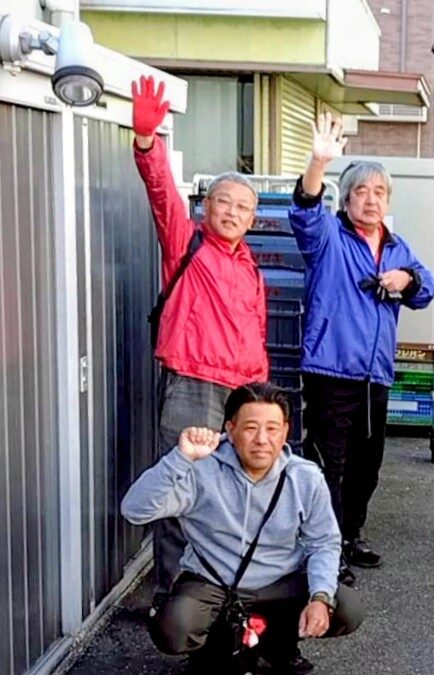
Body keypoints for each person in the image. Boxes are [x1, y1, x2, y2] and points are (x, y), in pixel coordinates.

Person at [131, 76, 269, 609]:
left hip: (243, 393)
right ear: (206, 205)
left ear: (252, 219)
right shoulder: (185, 241)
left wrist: (260, 394)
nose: (232, 212)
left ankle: (223, 597)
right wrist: (148, 143)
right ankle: (173, 598)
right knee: (180, 489)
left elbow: (252, 332)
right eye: (223, 202)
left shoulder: (250, 265)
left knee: (235, 494)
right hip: (192, 386)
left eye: (243, 207)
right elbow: (162, 191)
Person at [121, 383, 362, 674]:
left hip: (281, 580)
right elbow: (134, 510)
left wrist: (320, 598)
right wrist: (179, 458)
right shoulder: (200, 470)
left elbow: (324, 542)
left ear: (285, 431)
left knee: (346, 606)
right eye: (250, 428)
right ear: (230, 429)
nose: (262, 439)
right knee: (175, 627)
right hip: (214, 582)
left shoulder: (305, 477)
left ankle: (278, 642)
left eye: (272, 428)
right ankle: (214, 646)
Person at [289, 113, 434, 585]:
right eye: (361, 192)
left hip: (376, 375)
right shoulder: (329, 236)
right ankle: (325, 552)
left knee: (366, 467)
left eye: (379, 193)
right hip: (332, 371)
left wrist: (407, 278)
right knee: (326, 466)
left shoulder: (396, 247)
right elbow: (305, 209)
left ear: (387, 201)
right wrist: (319, 162)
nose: (370, 200)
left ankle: (350, 535)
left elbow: (426, 287)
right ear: (347, 198)